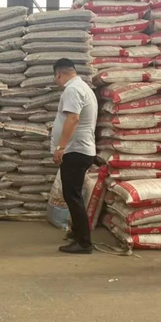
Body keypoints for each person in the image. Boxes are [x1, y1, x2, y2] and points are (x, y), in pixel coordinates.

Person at [50, 58, 98, 255]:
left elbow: (73, 118)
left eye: (55, 77)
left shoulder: (72, 89)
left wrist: (61, 147)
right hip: (79, 150)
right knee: (73, 195)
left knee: (73, 196)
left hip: (75, 150)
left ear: (58, 74)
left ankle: (84, 243)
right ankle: (77, 234)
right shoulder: (82, 87)